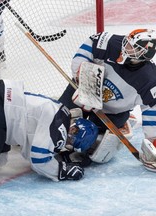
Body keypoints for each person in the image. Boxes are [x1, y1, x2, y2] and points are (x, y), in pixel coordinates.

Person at [58, 29, 156, 165]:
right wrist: (84, 81)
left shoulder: (150, 79)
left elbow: (152, 108)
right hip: (84, 89)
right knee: (57, 119)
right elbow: (90, 44)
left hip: (113, 112)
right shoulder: (111, 42)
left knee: (92, 148)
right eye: (127, 43)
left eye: (131, 47)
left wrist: (153, 139)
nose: (125, 47)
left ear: (144, 54)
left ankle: (124, 120)